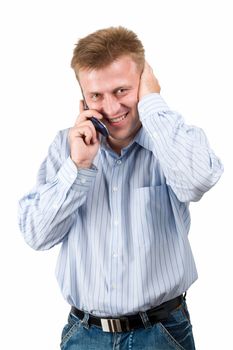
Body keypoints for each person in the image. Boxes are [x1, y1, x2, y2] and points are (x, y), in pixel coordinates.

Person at [18, 26, 223, 350]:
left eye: (122, 91)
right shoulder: (65, 148)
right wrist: (79, 167)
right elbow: (36, 234)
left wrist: (153, 104)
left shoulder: (171, 140)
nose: (112, 109)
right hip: (85, 335)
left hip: (162, 334)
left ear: (144, 83)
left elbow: (198, 182)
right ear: (83, 97)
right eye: (97, 95)